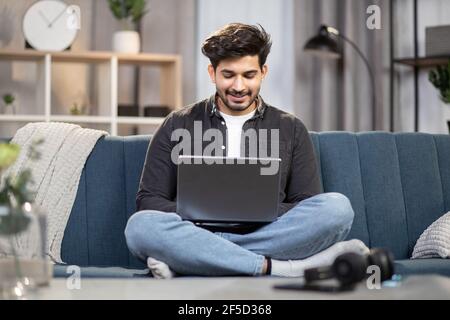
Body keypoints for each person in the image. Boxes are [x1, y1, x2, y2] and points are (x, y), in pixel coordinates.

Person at [125, 23, 368, 278]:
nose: (239, 86)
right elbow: (149, 200)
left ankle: (194, 259)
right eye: (228, 75)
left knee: (337, 209)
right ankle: (269, 267)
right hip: (195, 231)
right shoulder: (177, 123)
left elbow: (305, 203)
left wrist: (257, 211)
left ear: (263, 72)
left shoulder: (291, 128)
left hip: (265, 232)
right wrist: (199, 215)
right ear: (212, 72)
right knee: (139, 228)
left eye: (249, 75)